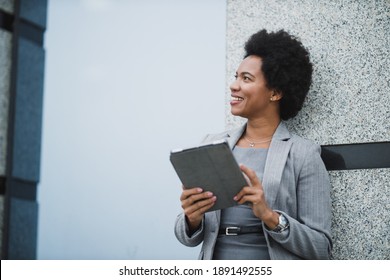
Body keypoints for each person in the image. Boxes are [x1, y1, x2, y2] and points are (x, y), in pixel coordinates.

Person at [174, 29, 332, 260]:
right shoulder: (212, 144)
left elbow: (321, 247)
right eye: (236, 76)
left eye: (246, 79)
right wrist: (191, 217)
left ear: (275, 93)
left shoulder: (303, 154)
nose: (234, 85)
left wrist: (269, 216)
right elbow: (187, 236)